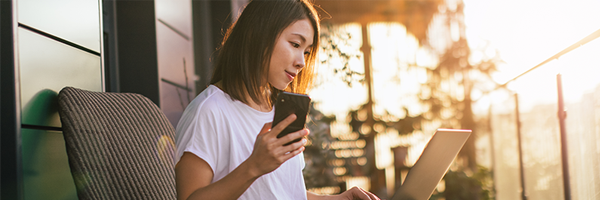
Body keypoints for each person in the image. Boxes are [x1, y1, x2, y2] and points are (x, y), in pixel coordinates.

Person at [174, 0, 380, 199]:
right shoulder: (209, 111)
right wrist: (254, 166)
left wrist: (337, 199)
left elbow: (283, 193)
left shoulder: (277, 111)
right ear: (258, 35)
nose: (301, 63)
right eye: (295, 44)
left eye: (306, 52)